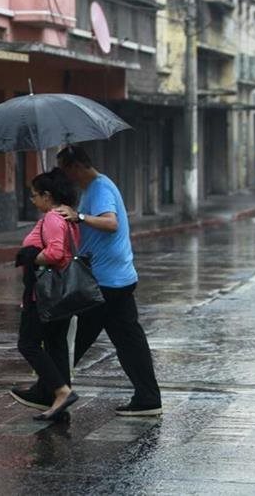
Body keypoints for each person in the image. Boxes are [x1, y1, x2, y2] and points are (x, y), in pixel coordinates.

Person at [57, 145, 162, 416]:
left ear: (77, 166)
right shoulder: (95, 189)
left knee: (70, 337)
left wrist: (78, 216)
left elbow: (110, 223)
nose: (66, 177)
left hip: (104, 282)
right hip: (118, 278)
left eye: (66, 170)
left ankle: (52, 390)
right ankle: (148, 399)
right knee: (129, 340)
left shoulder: (100, 188)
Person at [11, 168, 81, 421]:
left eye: (34, 195)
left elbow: (55, 254)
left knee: (28, 344)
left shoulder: (53, 218)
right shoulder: (68, 219)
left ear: (47, 196)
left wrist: (28, 257)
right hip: (63, 295)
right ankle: (56, 400)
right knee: (56, 346)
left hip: (43, 295)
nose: (32, 200)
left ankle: (61, 391)